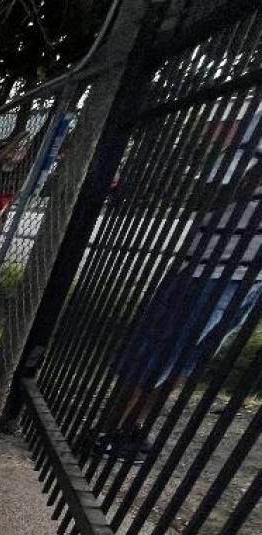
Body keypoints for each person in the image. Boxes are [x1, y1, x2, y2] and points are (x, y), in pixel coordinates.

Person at [93, 109, 261, 463]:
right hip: (208, 270)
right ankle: (110, 430)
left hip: (249, 280)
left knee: (187, 360)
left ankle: (133, 432)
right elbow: (207, 194)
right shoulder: (251, 137)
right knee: (156, 355)